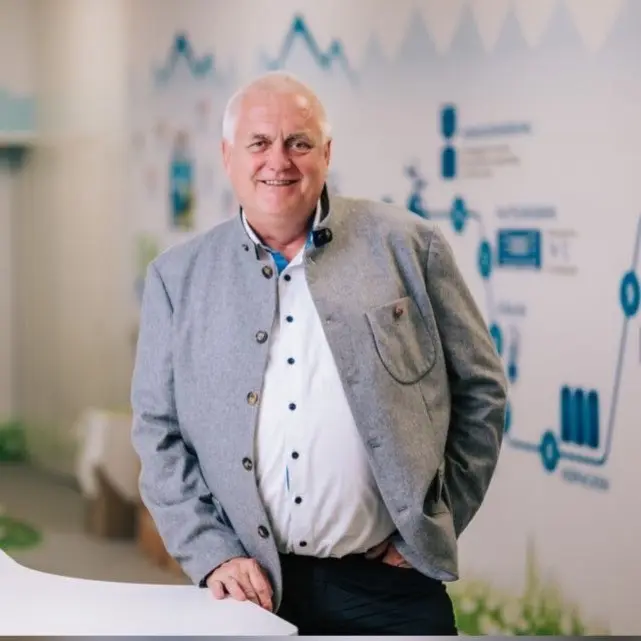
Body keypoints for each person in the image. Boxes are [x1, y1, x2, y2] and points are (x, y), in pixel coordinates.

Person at [131, 71, 508, 636]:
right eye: (259, 143)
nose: (278, 161)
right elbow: (158, 433)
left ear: (326, 154)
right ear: (228, 156)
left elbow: (481, 391)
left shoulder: (408, 247)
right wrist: (212, 552)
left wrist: (435, 520)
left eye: (298, 143)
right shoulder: (177, 278)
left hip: (389, 587)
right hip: (246, 590)